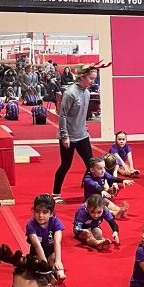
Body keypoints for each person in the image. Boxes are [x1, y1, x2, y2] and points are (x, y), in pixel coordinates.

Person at [53, 65, 97, 203]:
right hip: (69, 136)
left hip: (82, 135)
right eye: (91, 78)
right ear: (82, 76)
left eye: (94, 79)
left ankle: (90, 192)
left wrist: (86, 130)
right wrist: (64, 135)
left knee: (91, 165)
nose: (93, 81)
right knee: (65, 165)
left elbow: (82, 116)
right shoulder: (70, 93)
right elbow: (62, 115)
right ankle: (56, 193)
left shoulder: (87, 93)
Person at [25, 193, 66, 282]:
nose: (40, 215)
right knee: (37, 264)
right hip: (36, 251)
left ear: (51, 213)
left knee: (53, 259)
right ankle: (49, 276)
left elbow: (57, 242)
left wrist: (58, 261)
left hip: (50, 250)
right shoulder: (31, 225)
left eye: (45, 212)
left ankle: (60, 273)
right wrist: (44, 265)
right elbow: (37, 245)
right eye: (37, 211)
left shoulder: (56, 222)